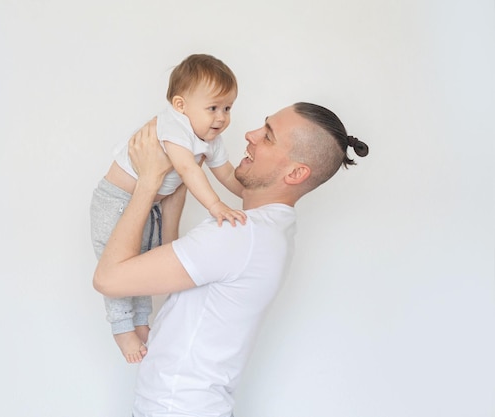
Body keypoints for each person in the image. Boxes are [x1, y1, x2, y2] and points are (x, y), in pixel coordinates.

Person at [93, 101, 369, 417]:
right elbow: (181, 278)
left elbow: (107, 279)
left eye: (268, 136)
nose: (250, 134)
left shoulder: (241, 235)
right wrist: (173, 205)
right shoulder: (266, 230)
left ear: (295, 172)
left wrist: (147, 182)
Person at [90, 54, 247, 363]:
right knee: (117, 263)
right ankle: (122, 328)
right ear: (180, 105)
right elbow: (189, 171)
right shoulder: (173, 127)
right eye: (213, 108)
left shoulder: (209, 138)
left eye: (228, 108)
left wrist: (251, 195)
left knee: (142, 263)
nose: (221, 118)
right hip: (115, 200)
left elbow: (226, 173)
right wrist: (216, 206)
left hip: (150, 204)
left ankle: (141, 321)